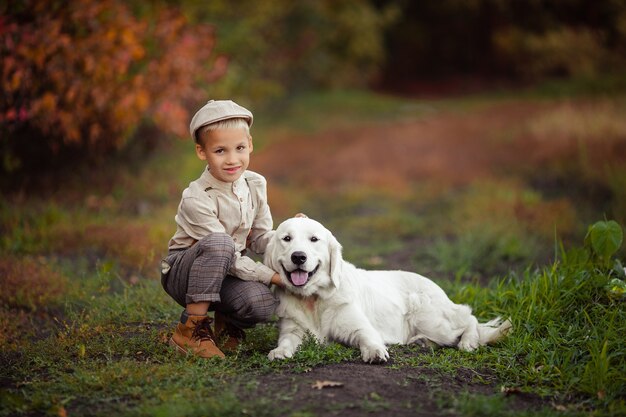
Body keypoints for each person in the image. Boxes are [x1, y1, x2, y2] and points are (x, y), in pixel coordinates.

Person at [161, 99, 285, 359]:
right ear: (201, 152)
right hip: (185, 271)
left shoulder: (255, 184)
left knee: (262, 303)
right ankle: (191, 329)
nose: (232, 160)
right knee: (221, 243)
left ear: (250, 144)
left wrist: (291, 237)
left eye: (239, 148)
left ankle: (227, 323)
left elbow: (261, 237)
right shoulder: (197, 196)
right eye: (220, 151)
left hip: (229, 268)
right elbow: (225, 252)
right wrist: (271, 276)